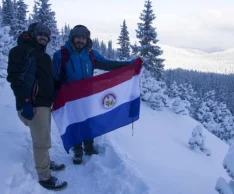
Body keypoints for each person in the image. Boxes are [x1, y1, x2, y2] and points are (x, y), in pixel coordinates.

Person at [53, 25, 138, 165]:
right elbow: (54, 77)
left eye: (83, 38)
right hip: (70, 97)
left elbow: (108, 64)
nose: (80, 40)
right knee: (74, 123)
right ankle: (78, 151)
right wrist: (56, 98)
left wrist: (129, 65)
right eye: (78, 37)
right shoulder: (61, 55)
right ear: (72, 38)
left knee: (87, 121)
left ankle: (89, 147)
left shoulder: (91, 55)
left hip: (87, 95)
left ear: (87, 39)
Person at [6, 23, 67, 191]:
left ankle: (45, 162)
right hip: (32, 104)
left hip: (44, 104)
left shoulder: (44, 57)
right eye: (40, 34)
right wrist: (25, 101)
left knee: (43, 137)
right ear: (32, 34)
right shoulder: (21, 51)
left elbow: (47, 81)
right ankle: (44, 177)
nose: (43, 37)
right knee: (42, 142)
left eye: (46, 35)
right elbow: (15, 78)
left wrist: (58, 87)